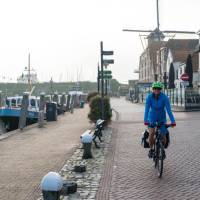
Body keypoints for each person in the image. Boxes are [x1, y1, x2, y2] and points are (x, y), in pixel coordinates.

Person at [144, 81, 176, 158]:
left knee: (164, 136)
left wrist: (173, 121)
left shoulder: (164, 97)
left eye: (158, 88)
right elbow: (147, 109)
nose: (156, 90)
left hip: (162, 117)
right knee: (151, 133)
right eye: (155, 88)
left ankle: (162, 149)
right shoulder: (149, 97)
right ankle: (151, 149)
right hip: (152, 117)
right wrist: (146, 120)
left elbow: (168, 110)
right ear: (153, 89)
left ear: (160, 89)